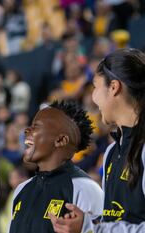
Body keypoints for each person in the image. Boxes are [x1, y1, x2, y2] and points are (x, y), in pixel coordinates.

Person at [49, 48, 145, 232]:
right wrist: (90, 222)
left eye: (95, 87)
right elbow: (119, 218)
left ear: (114, 87)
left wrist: (91, 228)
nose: (93, 98)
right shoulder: (111, 152)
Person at [9, 100, 104, 233]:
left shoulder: (86, 189)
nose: (27, 130)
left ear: (60, 140)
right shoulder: (22, 189)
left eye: (36, 126)